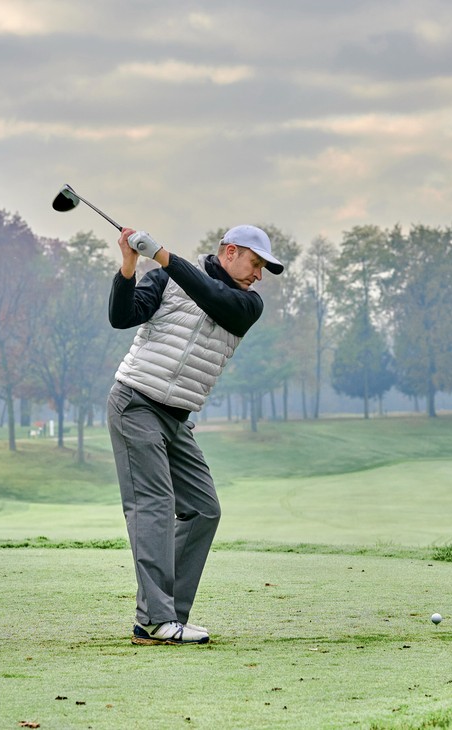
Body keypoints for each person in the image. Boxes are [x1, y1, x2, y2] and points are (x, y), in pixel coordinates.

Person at [106, 223, 285, 645]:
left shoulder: (246, 305)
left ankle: (168, 617)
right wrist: (131, 265)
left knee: (204, 508)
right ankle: (155, 620)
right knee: (154, 503)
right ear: (230, 252)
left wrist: (164, 253)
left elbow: (210, 296)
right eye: (255, 263)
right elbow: (121, 317)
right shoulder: (166, 279)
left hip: (176, 418)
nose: (258, 275)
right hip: (136, 402)